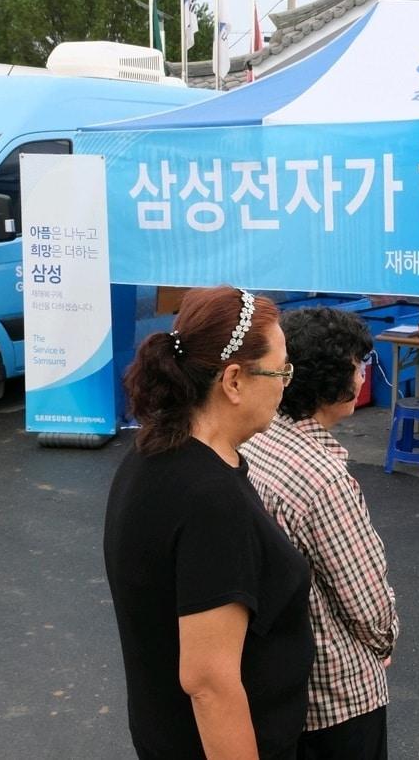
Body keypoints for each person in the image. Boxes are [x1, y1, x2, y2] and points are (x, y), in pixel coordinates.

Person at [103, 286, 314, 760]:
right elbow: (208, 683)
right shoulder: (209, 498)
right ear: (234, 380)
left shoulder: (152, 455)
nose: (285, 383)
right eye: (280, 370)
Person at [241, 306, 399, 760]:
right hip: (337, 694)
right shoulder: (322, 478)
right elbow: (366, 601)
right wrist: (384, 641)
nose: (363, 374)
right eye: (358, 364)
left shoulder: (257, 438)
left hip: (280, 681)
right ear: (335, 378)